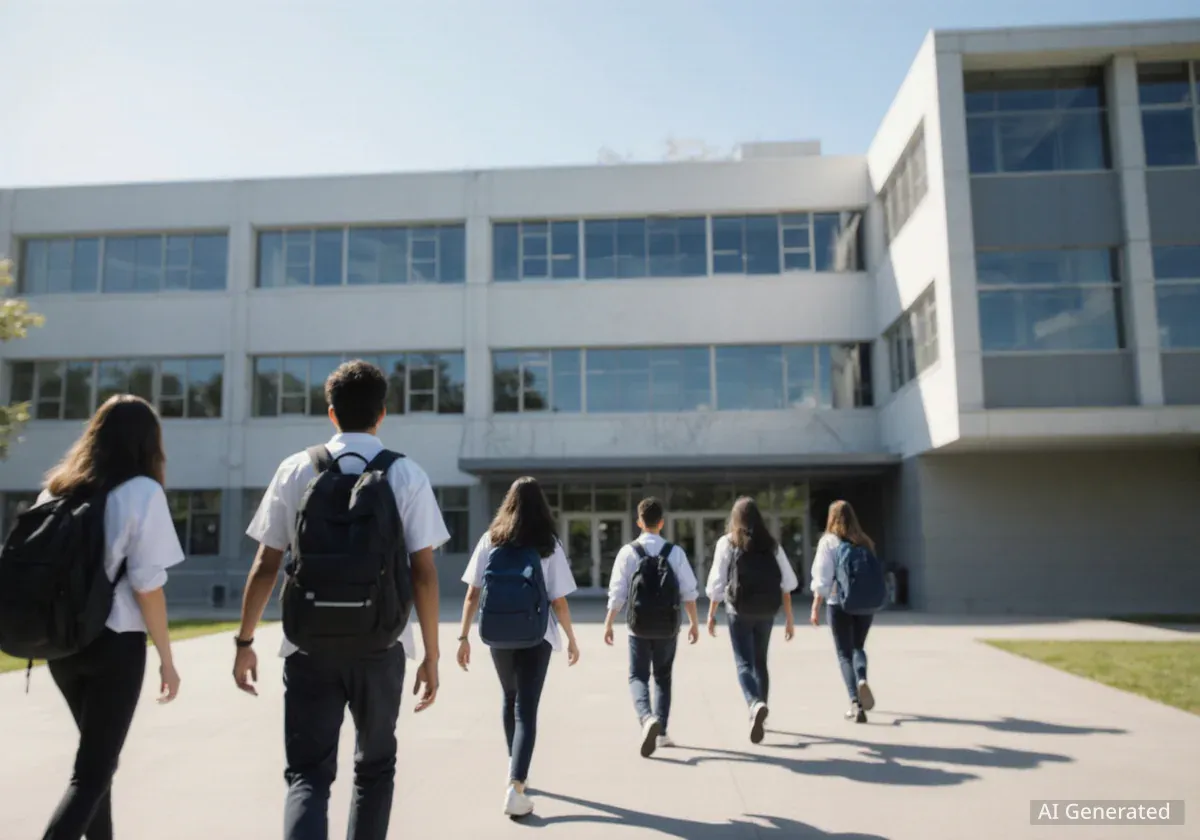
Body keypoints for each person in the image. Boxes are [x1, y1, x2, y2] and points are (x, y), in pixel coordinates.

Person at [234, 360, 447, 840]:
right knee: (374, 768)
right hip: (381, 645)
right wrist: (431, 657)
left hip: (308, 646)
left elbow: (266, 565)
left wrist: (244, 642)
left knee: (307, 774)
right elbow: (425, 574)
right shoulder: (406, 474)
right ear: (382, 413)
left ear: (331, 413)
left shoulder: (295, 468)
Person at [37, 395, 185, 840]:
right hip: (115, 643)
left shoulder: (56, 490)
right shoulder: (142, 492)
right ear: (148, 443)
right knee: (93, 773)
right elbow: (147, 586)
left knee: (97, 765)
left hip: (62, 644)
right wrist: (166, 659)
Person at [456, 477, 579, 819]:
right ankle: (516, 784)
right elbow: (558, 600)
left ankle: (515, 770)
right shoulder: (547, 543)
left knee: (509, 698)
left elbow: (472, 593)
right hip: (537, 635)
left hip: (498, 633)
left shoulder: (491, 539)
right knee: (526, 707)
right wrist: (571, 638)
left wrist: (463, 637)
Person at [603, 496, 699, 757]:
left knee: (638, 676)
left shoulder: (628, 552)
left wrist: (609, 623)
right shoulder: (675, 552)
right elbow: (689, 592)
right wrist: (694, 623)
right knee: (663, 677)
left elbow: (618, 593)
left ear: (639, 522)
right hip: (668, 626)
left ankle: (646, 718)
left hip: (638, 627)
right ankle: (663, 732)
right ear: (661, 523)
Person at [706, 496, 797, 744]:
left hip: (739, 611)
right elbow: (788, 583)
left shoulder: (728, 543)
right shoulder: (771, 545)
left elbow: (717, 583)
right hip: (767, 611)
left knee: (743, 663)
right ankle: (760, 714)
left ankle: (755, 703)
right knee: (760, 662)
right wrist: (789, 618)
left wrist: (711, 613)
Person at [810, 499, 878, 723]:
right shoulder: (864, 540)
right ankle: (862, 678)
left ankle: (855, 703)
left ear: (831, 518)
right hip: (864, 603)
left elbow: (822, 578)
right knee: (858, 646)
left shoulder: (829, 542)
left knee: (844, 654)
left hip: (838, 602)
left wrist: (816, 606)